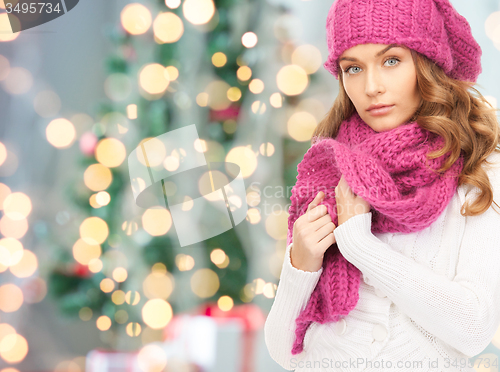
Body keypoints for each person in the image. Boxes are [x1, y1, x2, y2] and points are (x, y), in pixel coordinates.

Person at [264, 0, 500, 371]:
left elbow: (473, 329)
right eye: (353, 68)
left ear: (426, 62)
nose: (371, 87)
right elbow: (283, 350)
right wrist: (302, 265)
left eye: (391, 61)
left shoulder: (479, 167)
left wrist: (358, 243)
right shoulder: (331, 165)